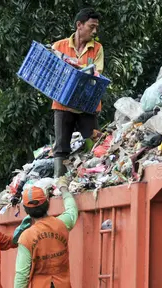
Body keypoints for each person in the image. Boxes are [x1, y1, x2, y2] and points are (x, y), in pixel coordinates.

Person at [52, 7, 104, 177]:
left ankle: (96, 176)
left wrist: (76, 68)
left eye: (96, 27)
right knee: (61, 146)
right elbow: (53, 72)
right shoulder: (59, 46)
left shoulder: (97, 48)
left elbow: (98, 73)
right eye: (91, 27)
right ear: (79, 25)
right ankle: (59, 182)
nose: (95, 31)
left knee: (95, 142)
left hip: (87, 104)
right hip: (63, 104)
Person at [13, 177, 78, 288]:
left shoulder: (26, 237)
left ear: (27, 211)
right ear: (47, 203)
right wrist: (63, 189)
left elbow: (22, 275)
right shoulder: (61, 224)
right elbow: (72, 210)